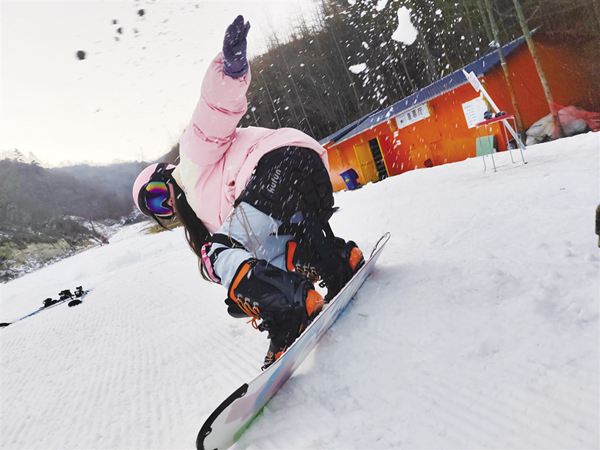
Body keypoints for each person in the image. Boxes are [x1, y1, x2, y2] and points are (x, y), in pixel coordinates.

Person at [132, 15, 364, 369]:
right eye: (157, 208)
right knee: (274, 250)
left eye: (157, 194)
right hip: (307, 174)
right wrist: (250, 294)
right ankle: (337, 262)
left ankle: (290, 311)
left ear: (166, 176)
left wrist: (230, 70)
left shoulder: (191, 162)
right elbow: (263, 254)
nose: (167, 204)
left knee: (216, 253)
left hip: (276, 166)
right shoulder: (214, 215)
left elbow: (213, 114)